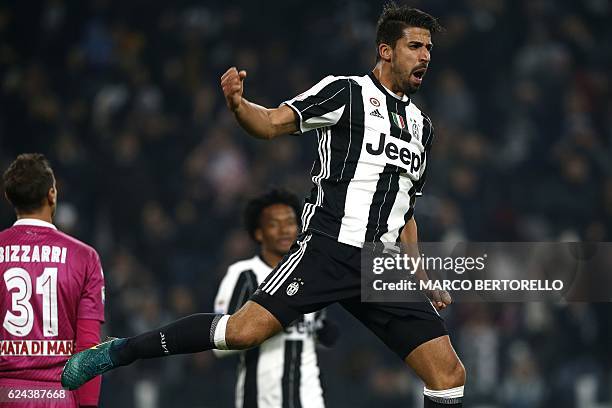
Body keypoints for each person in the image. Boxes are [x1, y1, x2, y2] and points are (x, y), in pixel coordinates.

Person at [62, 4, 465, 407]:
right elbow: (271, 123)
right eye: (415, 45)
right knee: (240, 334)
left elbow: (405, 210)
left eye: (428, 48)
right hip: (328, 248)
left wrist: (422, 276)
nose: (426, 56)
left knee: (447, 374)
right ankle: (119, 351)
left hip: (380, 265)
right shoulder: (346, 92)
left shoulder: (422, 127)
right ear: (386, 50)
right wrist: (240, 106)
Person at [214, 189, 336, 408]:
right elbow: (217, 346)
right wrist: (266, 323)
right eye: (273, 224)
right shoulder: (243, 274)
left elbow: (319, 335)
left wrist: (324, 331)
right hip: (260, 400)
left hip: (310, 401)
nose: (284, 230)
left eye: (289, 222)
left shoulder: (311, 276)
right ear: (259, 233)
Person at [0, 153, 105, 408]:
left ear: (9, 197)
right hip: (59, 398)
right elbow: (88, 347)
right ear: (51, 194)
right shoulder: (85, 257)